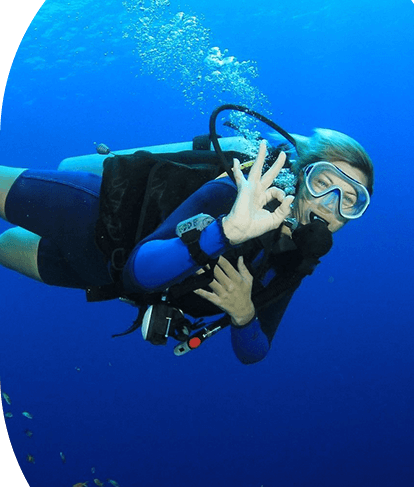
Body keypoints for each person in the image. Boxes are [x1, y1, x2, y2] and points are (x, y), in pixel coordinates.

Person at [0, 128, 374, 364]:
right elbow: (139, 269)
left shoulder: (292, 263)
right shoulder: (239, 186)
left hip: (98, 271)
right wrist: (225, 231)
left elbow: (255, 352)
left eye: (350, 201)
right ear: (299, 175)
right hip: (97, 212)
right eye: (324, 182)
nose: (330, 203)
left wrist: (244, 314)